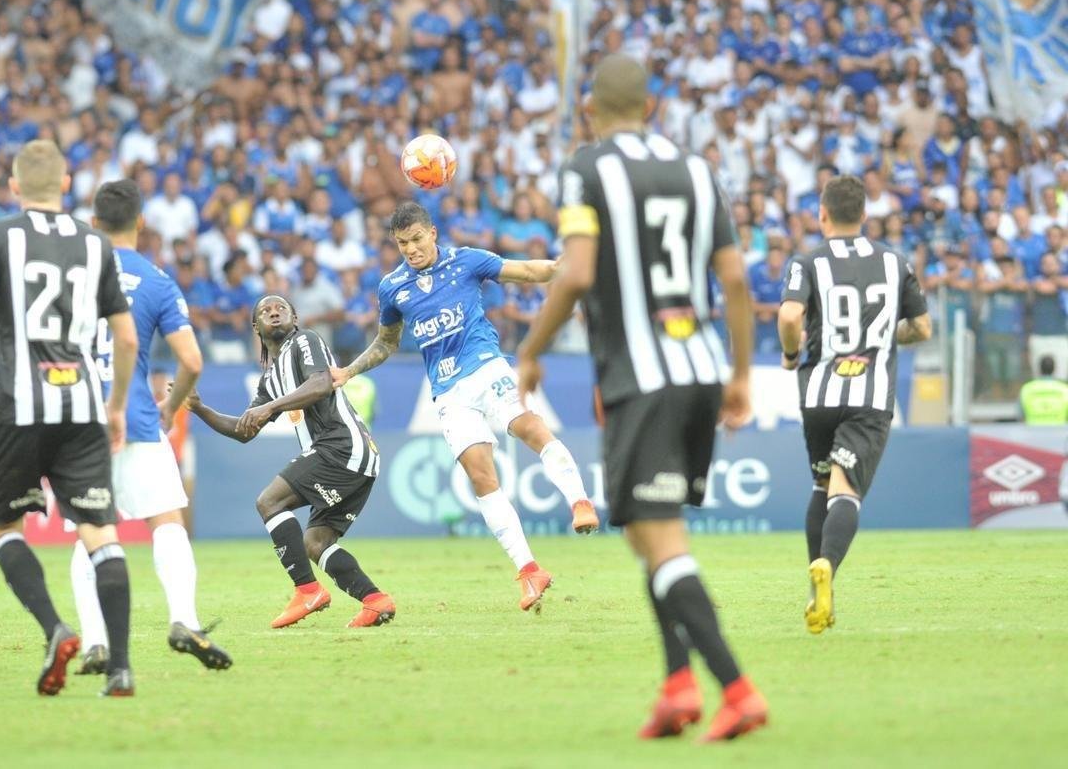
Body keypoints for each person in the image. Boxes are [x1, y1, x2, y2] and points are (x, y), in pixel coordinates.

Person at [515, 54, 767, 743]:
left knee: (662, 539)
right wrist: (742, 373)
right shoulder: (697, 170)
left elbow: (578, 272)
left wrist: (532, 350)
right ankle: (677, 686)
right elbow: (736, 280)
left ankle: (736, 690)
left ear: (590, 113)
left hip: (640, 379)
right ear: (651, 107)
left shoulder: (585, 168)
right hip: (702, 368)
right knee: (645, 534)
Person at [0, 140, 138, 696]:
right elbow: (126, 335)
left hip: (18, 407)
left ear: (15, 188)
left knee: (2, 526)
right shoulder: (96, 244)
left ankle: (55, 629)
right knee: (100, 533)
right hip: (82, 410)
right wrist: (115, 404)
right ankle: (120, 669)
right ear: (67, 184)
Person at [332, 201, 600, 613]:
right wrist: (349, 370)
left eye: (417, 239)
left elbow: (528, 272)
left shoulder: (467, 261)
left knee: (529, 427)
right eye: (403, 243)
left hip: (486, 367)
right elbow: (387, 342)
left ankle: (579, 500)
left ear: (433, 233)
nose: (411, 249)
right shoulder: (392, 288)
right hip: (448, 392)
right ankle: (529, 571)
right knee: (480, 476)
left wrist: (563, 266)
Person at [67, 180, 231, 675]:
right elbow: (192, 361)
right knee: (166, 522)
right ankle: (184, 620)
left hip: (76, 422)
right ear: (141, 222)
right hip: (136, 418)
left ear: (93, 223)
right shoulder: (156, 281)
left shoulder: (69, 275)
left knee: (89, 533)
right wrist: (171, 406)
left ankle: (95, 642)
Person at [777, 174, 932, 637]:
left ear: (822, 214)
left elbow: (789, 315)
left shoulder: (807, 261)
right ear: (864, 215)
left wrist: (790, 354)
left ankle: (815, 588)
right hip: (868, 396)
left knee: (822, 484)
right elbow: (921, 328)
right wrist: (887, 336)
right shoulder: (894, 261)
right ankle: (826, 565)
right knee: (846, 492)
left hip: (819, 393)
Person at [187, 295, 395, 629]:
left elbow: (321, 383)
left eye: (281, 308)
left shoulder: (304, 341)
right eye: (265, 310)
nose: (273, 311)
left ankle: (307, 590)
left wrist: (269, 408)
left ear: (294, 319)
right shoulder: (270, 379)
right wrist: (201, 410)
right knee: (316, 542)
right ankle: (374, 600)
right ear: (255, 326)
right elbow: (244, 431)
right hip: (354, 458)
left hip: (341, 445)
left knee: (270, 501)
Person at [1020, 356, 1068, 425]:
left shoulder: (1027, 389)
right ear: (1054, 369)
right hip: (1059, 433)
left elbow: (1020, 415)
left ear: (1039, 369)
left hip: (1032, 433)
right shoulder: (1064, 389)